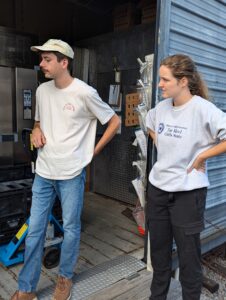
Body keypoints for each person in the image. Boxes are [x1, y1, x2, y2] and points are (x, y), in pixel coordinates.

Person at [11, 39, 120, 300]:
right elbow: (39, 119)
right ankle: (26, 289)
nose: (41, 64)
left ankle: (64, 278)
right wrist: (37, 129)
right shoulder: (42, 90)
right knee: (35, 229)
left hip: (71, 174)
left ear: (64, 62)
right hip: (44, 172)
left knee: (71, 228)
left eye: (47, 59)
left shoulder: (84, 92)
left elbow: (114, 122)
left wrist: (91, 153)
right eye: (42, 59)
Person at [145, 54, 226, 300]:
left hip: (188, 195)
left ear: (183, 81)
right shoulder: (160, 108)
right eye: (160, 79)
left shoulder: (203, 109)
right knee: (159, 256)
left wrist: (202, 157)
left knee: (189, 258)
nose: (160, 84)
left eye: (165, 79)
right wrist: (160, 142)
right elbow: (149, 124)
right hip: (158, 191)